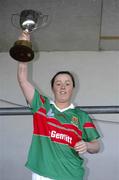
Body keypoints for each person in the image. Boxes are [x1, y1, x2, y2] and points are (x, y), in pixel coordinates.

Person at [17, 33, 100, 180]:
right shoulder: (41, 105)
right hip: (43, 174)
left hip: (72, 175)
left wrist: (87, 145)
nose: (63, 87)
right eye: (58, 83)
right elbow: (23, 80)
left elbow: (96, 146)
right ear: (53, 88)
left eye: (67, 83)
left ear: (72, 88)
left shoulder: (82, 116)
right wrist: (24, 46)